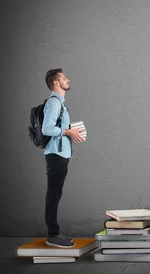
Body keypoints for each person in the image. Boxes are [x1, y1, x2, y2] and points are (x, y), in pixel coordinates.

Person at [41, 69, 84, 248]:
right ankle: (52, 235)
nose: (68, 80)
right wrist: (68, 131)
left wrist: (72, 132)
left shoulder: (60, 103)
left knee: (55, 194)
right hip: (56, 155)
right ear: (56, 83)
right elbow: (46, 129)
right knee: (53, 194)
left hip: (61, 154)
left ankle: (56, 233)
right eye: (64, 78)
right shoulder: (54, 103)